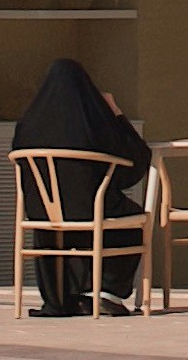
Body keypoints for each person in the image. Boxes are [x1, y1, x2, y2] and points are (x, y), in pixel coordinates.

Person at [9, 53, 155, 312]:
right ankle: (107, 292)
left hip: (44, 216)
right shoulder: (92, 121)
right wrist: (117, 114)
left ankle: (58, 298)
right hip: (91, 209)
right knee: (131, 218)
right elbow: (136, 160)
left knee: (57, 225)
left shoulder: (28, 126)